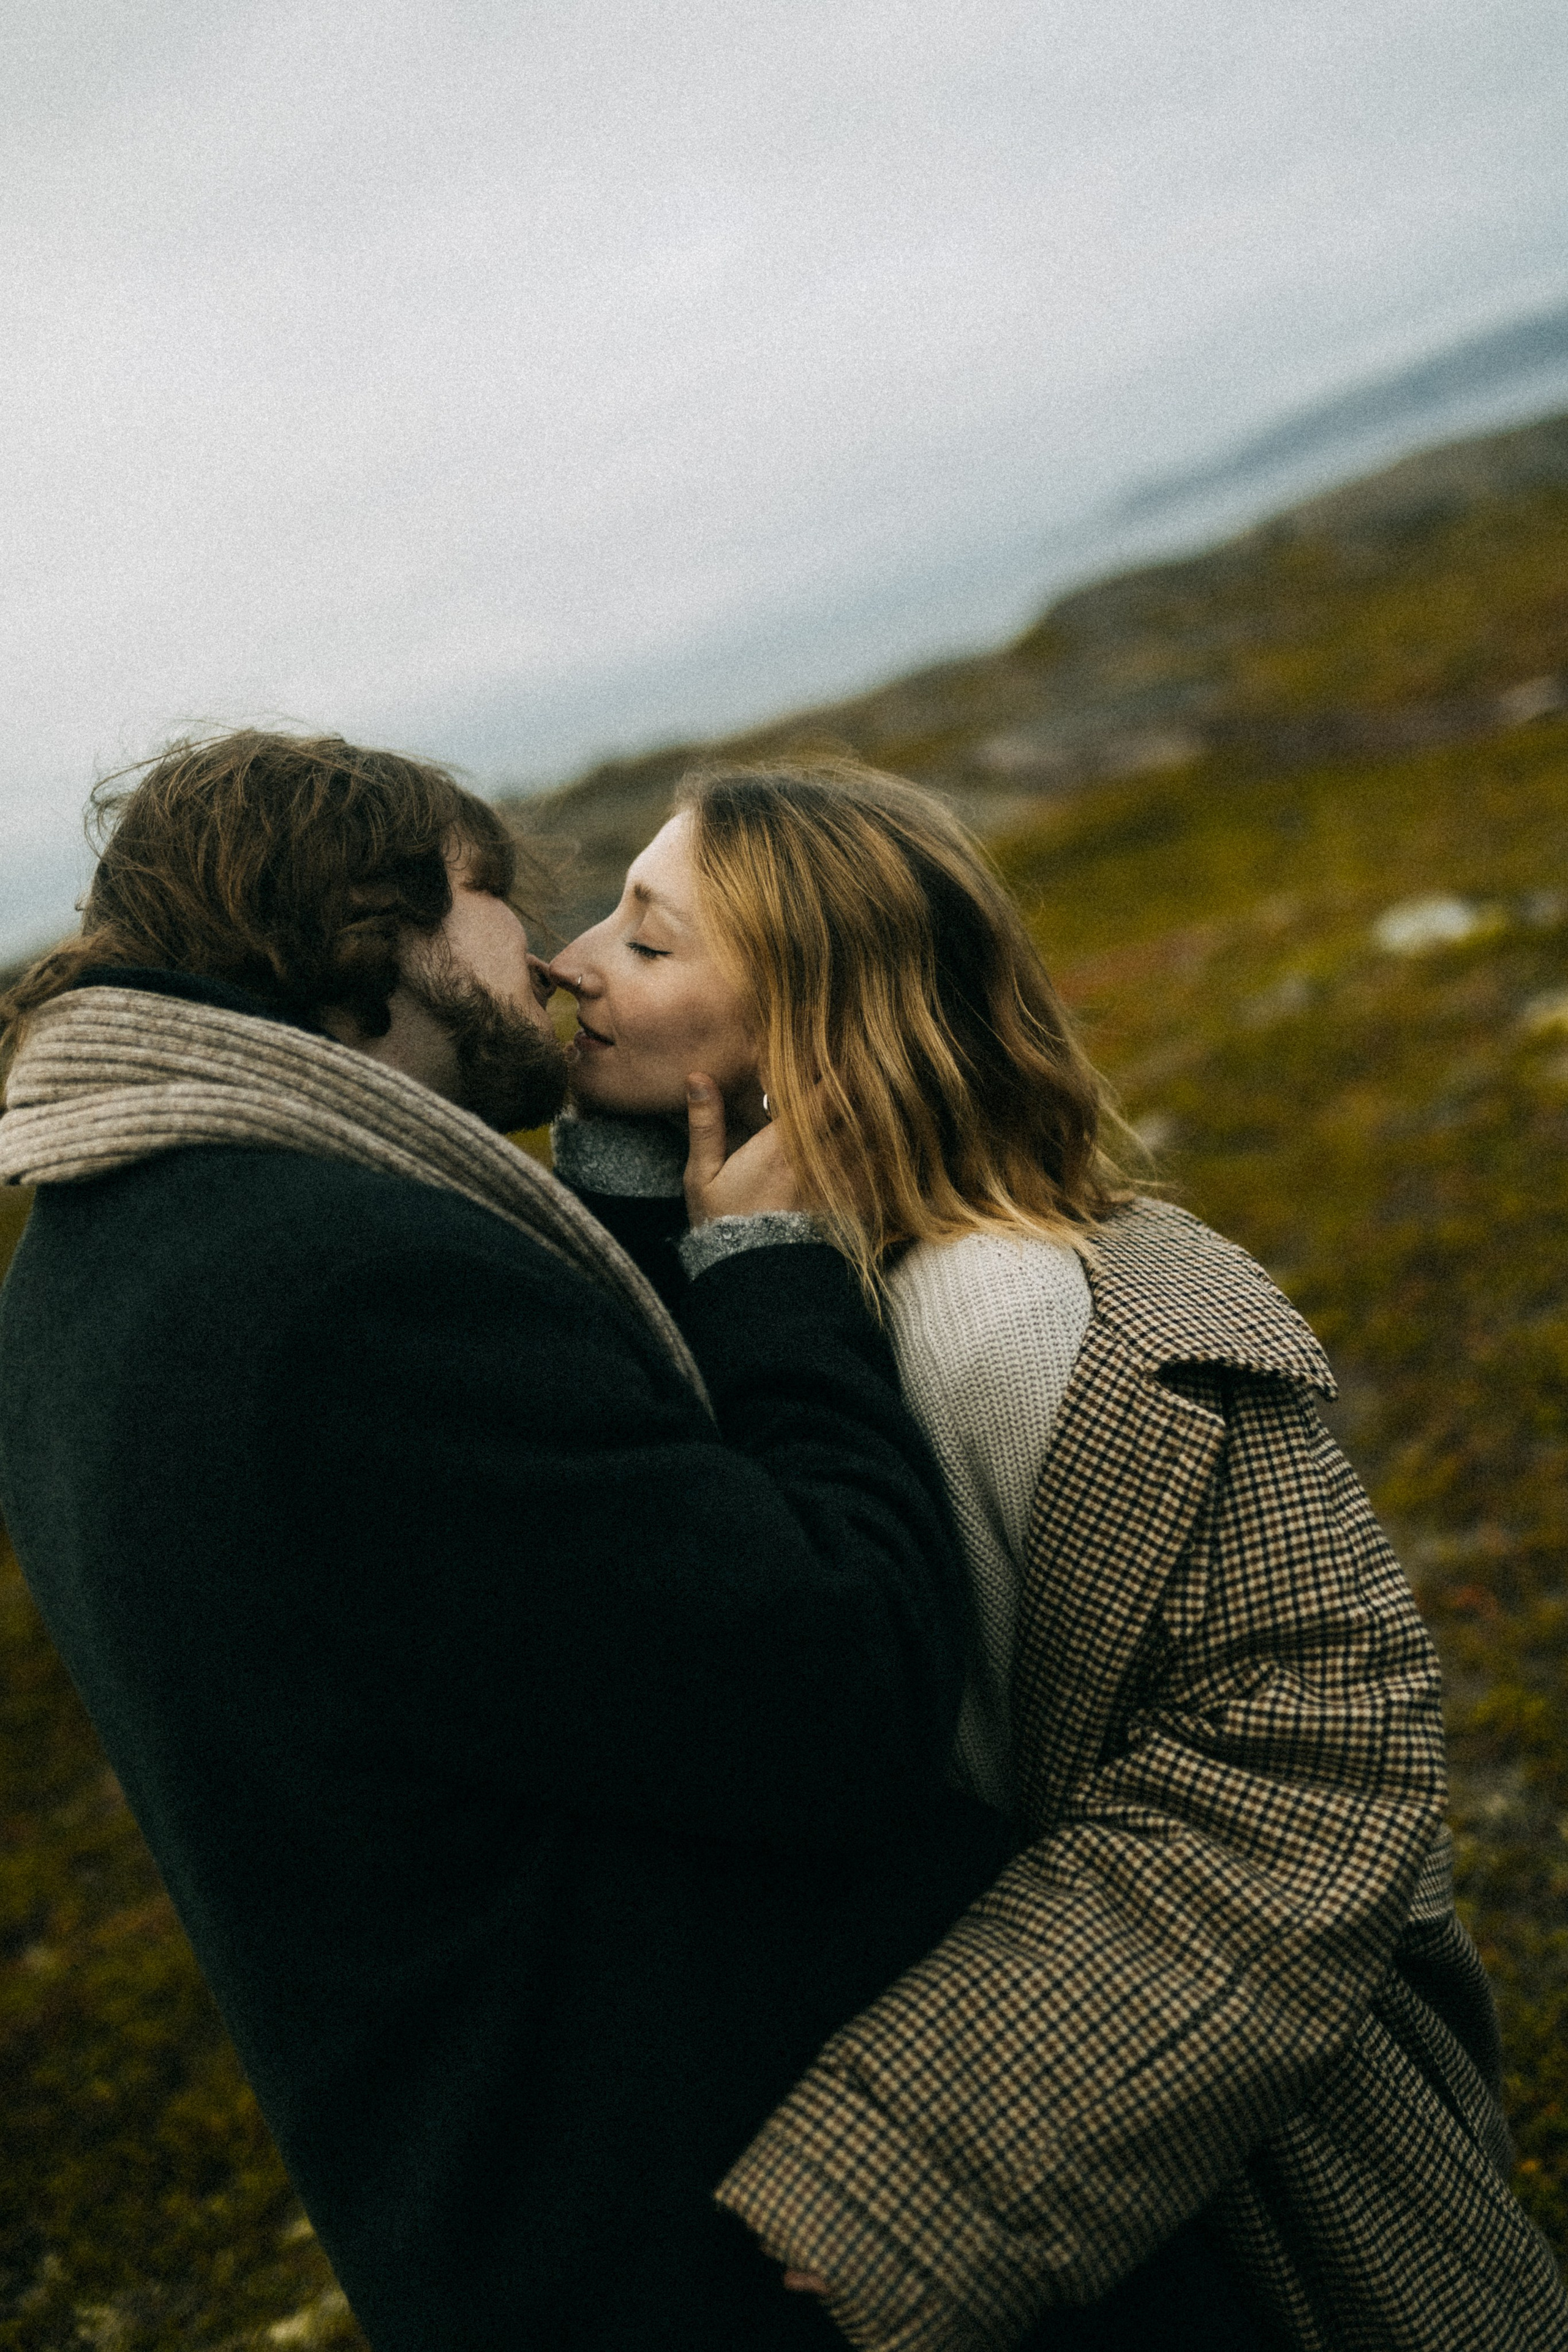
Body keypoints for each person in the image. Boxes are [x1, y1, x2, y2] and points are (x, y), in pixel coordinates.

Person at [0, 729, 1018, 2352]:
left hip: (498, 2220)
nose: (539, 957)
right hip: (701, 2246)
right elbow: (843, 1681)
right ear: (361, 935)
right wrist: (768, 1260)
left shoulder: (100, 1262)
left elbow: (544, 1583)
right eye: (487, 900)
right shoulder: (334, 1295)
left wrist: (621, 1190)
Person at [548, 754, 1568, 2352]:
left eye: (649, 940)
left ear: (814, 1032)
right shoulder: (797, 1283)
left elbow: (1304, 1760)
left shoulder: (1012, 1320)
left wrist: (930, 2161)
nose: (571, 960)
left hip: (1230, 2164)